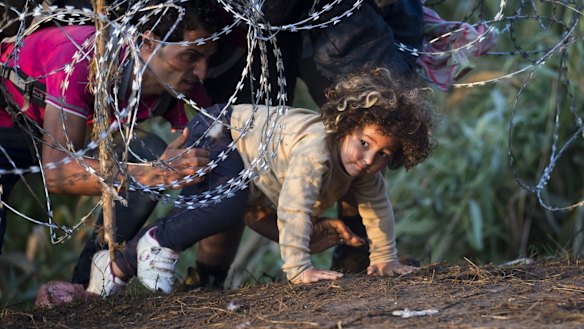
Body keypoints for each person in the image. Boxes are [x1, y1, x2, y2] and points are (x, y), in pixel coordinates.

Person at [86, 66, 434, 297]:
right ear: (347, 125)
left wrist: (385, 257)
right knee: (223, 209)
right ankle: (158, 241)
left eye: (383, 155)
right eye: (364, 143)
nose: (369, 160)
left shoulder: (361, 168)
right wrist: (298, 269)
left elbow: (377, 208)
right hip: (224, 132)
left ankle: (116, 266)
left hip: (248, 163)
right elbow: (294, 206)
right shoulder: (317, 149)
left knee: (223, 209)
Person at [0, 0, 220, 264]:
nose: (202, 73)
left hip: (65, 131)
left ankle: (94, 279)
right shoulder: (83, 58)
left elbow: (219, 155)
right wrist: (160, 173)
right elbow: (58, 174)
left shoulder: (185, 87)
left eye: (208, 58)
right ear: (148, 42)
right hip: (7, 120)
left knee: (145, 151)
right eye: (190, 56)